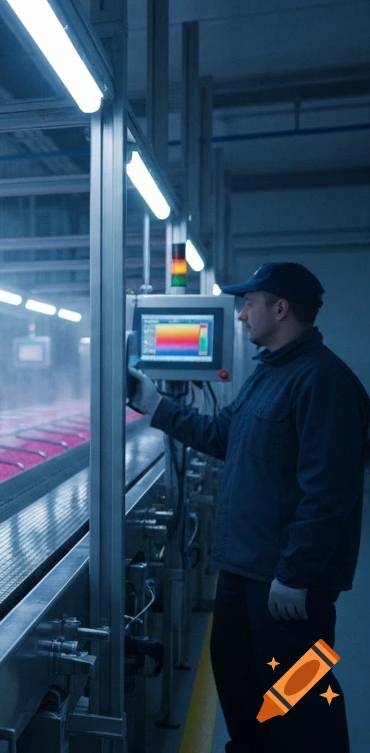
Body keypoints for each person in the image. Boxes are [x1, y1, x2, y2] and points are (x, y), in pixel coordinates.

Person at [127, 262, 368, 753]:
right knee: (242, 693)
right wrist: (154, 404)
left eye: (249, 303)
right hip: (241, 572)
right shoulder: (268, 376)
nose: (239, 315)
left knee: (304, 705)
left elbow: (329, 491)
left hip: (288, 585)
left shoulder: (323, 382)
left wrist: (296, 573)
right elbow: (222, 435)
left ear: (280, 309)